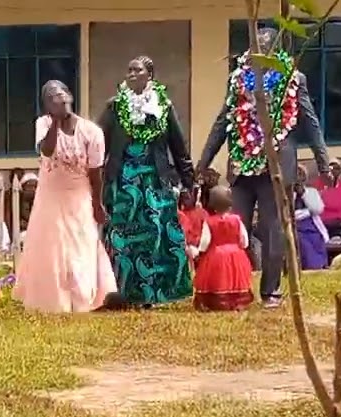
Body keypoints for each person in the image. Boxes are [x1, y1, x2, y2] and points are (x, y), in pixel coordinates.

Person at [197, 28, 328, 308]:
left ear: (274, 50)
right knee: (235, 226)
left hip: (276, 168)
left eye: (265, 45)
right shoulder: (237, 79)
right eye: (255, 45)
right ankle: (235, 288)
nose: (259, 50)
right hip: (242, 166)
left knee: (272, 230)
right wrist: (203, 163)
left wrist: (323, 162)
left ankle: (271, 291)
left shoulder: (293, 79)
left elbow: (310, 122)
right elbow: (223, 122)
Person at [97, 55, 194, 308]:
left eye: (137, 70)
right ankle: (121, 293)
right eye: (128, 70)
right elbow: (98, 143)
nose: (131, 74)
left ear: (149, 75)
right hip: (123, 180)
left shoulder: (163, 106)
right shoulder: (115, 106)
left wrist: (188, 181)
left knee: (156, 234)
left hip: (155, 180)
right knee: (123, 234)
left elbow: (178, 146)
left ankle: (153, 294)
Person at [14, 80, 116, 314]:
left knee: (81, 243)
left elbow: (95, 172)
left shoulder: (92, 131)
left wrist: (97, 204)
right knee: (53, 246)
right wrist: (56, 122)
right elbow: (47, 150)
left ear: (70, 96)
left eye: (60, 94)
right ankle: (52, 299)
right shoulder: (43, 124)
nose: (57, 99)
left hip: (78, 194)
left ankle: (83, 297)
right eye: (50, 98)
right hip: (50, 194)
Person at [187, 185, 253, 311]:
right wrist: (240, 247)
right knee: (235, 278)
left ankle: (217, 300)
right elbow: (244, 239)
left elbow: (205, 241)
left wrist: (200, 251)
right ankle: (236, 301)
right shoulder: (236, 220)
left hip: (216, 254)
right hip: (236, 254)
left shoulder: (210, 222)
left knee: (218, 278)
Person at [293, 164, 329, 270]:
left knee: (316, 240)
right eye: (295, 174)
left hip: (312, 227)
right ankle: (311, 267)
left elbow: (317, 209)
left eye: (300, 174)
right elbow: (287, 213)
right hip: (295, 228)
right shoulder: (285, 194)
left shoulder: (312, 192)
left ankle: (319, 266)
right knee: (302, 242)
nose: (298, 177)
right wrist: (306, 212)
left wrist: (303, 194)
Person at [313, 158, 341, 240]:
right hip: (320, 224)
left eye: (337, 168)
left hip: (339, 225)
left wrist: (340, 222)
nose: (333, 171)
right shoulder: (316, 186)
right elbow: (313, 210)